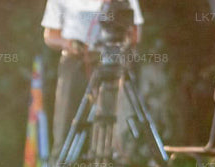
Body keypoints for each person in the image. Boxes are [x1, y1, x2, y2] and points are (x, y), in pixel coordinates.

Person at [42, 0, 143, 156]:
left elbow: (134, 33)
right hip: (75, 62)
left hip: (113, 63)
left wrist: (120, 45)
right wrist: (69, 44)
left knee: (109, 135)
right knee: (66, 129)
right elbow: (50, 35)